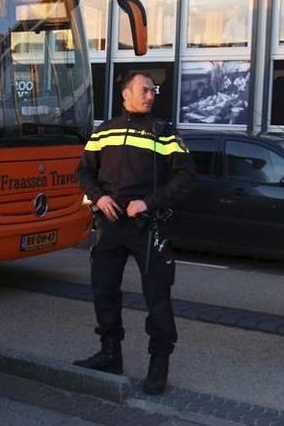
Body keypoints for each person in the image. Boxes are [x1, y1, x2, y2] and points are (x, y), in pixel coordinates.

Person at [75, 72, 196, 395]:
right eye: (144, 90)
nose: (151, 95)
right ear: (125, 94)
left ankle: (158, 367)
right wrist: (99, 197)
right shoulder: (104, 132)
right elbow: (84, 170)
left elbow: (186, 178)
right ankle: (110, 354)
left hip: (148, 227)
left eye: (153, 90)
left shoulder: (164, 133)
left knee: (157, 299)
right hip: (110, 226)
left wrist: (148, 202)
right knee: (104, 291)